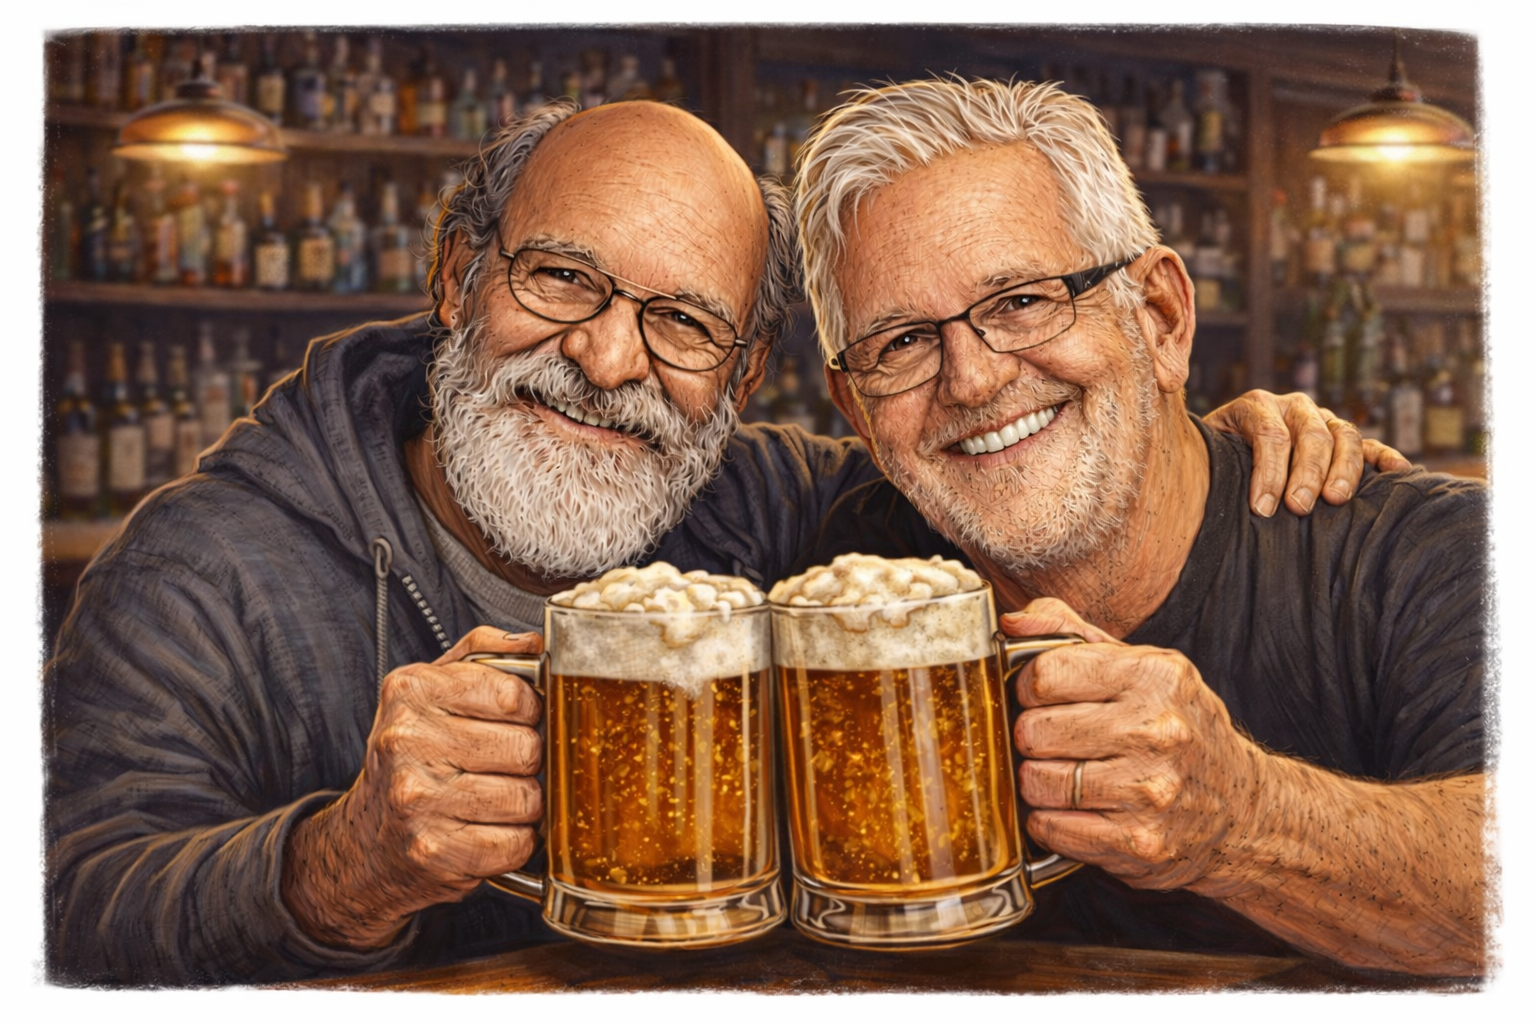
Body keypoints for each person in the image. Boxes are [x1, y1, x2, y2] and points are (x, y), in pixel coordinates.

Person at [45, 97, 1390, 986]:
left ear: (741, 380)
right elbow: (66, 913)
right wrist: (337, 864)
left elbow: (982, 446)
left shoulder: (763, 508)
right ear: (461, 276)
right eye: (563, 277)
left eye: (683, 323)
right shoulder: (202, 567)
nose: (608, 357)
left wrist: (1197, 425)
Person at [793, 77, 1484, 977]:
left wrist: (1244, 819)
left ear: (1160, 319)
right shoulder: (835, 561)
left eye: (1021, 302)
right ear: (854, 407)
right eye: (900, 343)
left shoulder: (1427, 556)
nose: (969, 380)